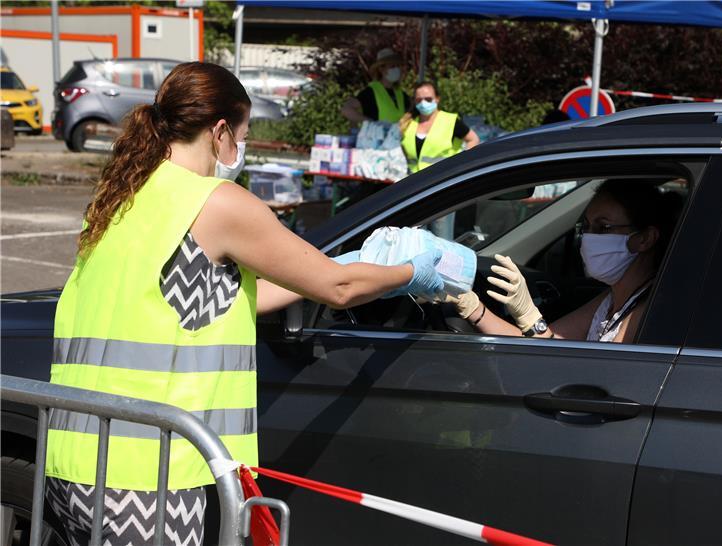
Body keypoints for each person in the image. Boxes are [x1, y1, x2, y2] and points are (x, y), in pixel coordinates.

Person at [44, 62, 444, 546]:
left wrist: (338, 263)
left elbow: (213, 303)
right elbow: (339, 290)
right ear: (219, 132)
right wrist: (414, 271)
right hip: (149, 480)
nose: (242, 147)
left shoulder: (125, 195)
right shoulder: (217, 202)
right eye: (243, 133)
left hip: (73, 463)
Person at [448, 180, 682, 343]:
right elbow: (544, 343)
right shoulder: (611, 300)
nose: (589, 238)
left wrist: (531, 317)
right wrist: (473, 308)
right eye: (587, 226)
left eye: (603, 227)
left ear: (645, 239)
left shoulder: (646, 310)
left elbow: (600, 377)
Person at [399, 81, 480, 174]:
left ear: (437, 99)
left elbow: (473, 139)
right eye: (419, 100)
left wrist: (461, 164)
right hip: (414, 182)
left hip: (442, 180)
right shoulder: (407, 124)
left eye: (428, 99)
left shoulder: (450, 121)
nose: (423, 103)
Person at [341, 48, 410, 124]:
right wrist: (370, 122)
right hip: (376, 135)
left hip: (395, 135)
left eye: (398, 66)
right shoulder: (371, 92)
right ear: (381, 69)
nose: (397, 69)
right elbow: (346, 109)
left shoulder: (400, 93)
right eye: (392, 66)